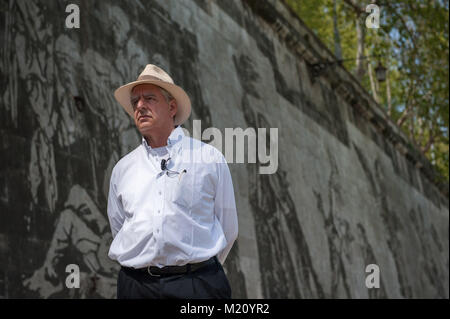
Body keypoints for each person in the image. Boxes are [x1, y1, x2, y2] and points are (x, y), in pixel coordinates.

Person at [107, 64, 238, 299]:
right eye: (135, 101)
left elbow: (228, 227)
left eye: (149, 98)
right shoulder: (122, 169)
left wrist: (195, 269)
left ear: (171, 106)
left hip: (198, 286)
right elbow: (119, 227)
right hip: (136, 287)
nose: (139, 106)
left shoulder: (209, 159)